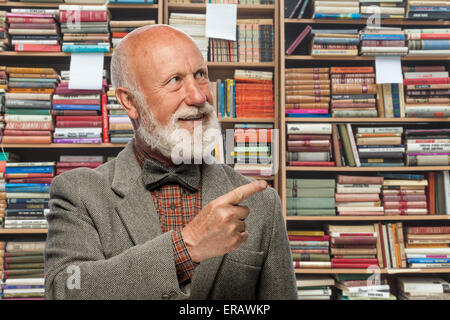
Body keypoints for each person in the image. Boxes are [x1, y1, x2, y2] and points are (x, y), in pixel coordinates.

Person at [44, 25, 297, 300]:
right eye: (175, 80)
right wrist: (184, 250)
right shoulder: (80, 194)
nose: (199, 97)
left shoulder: (263, 203)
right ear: (129, 102)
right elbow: (65, 290)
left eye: (200, 75)